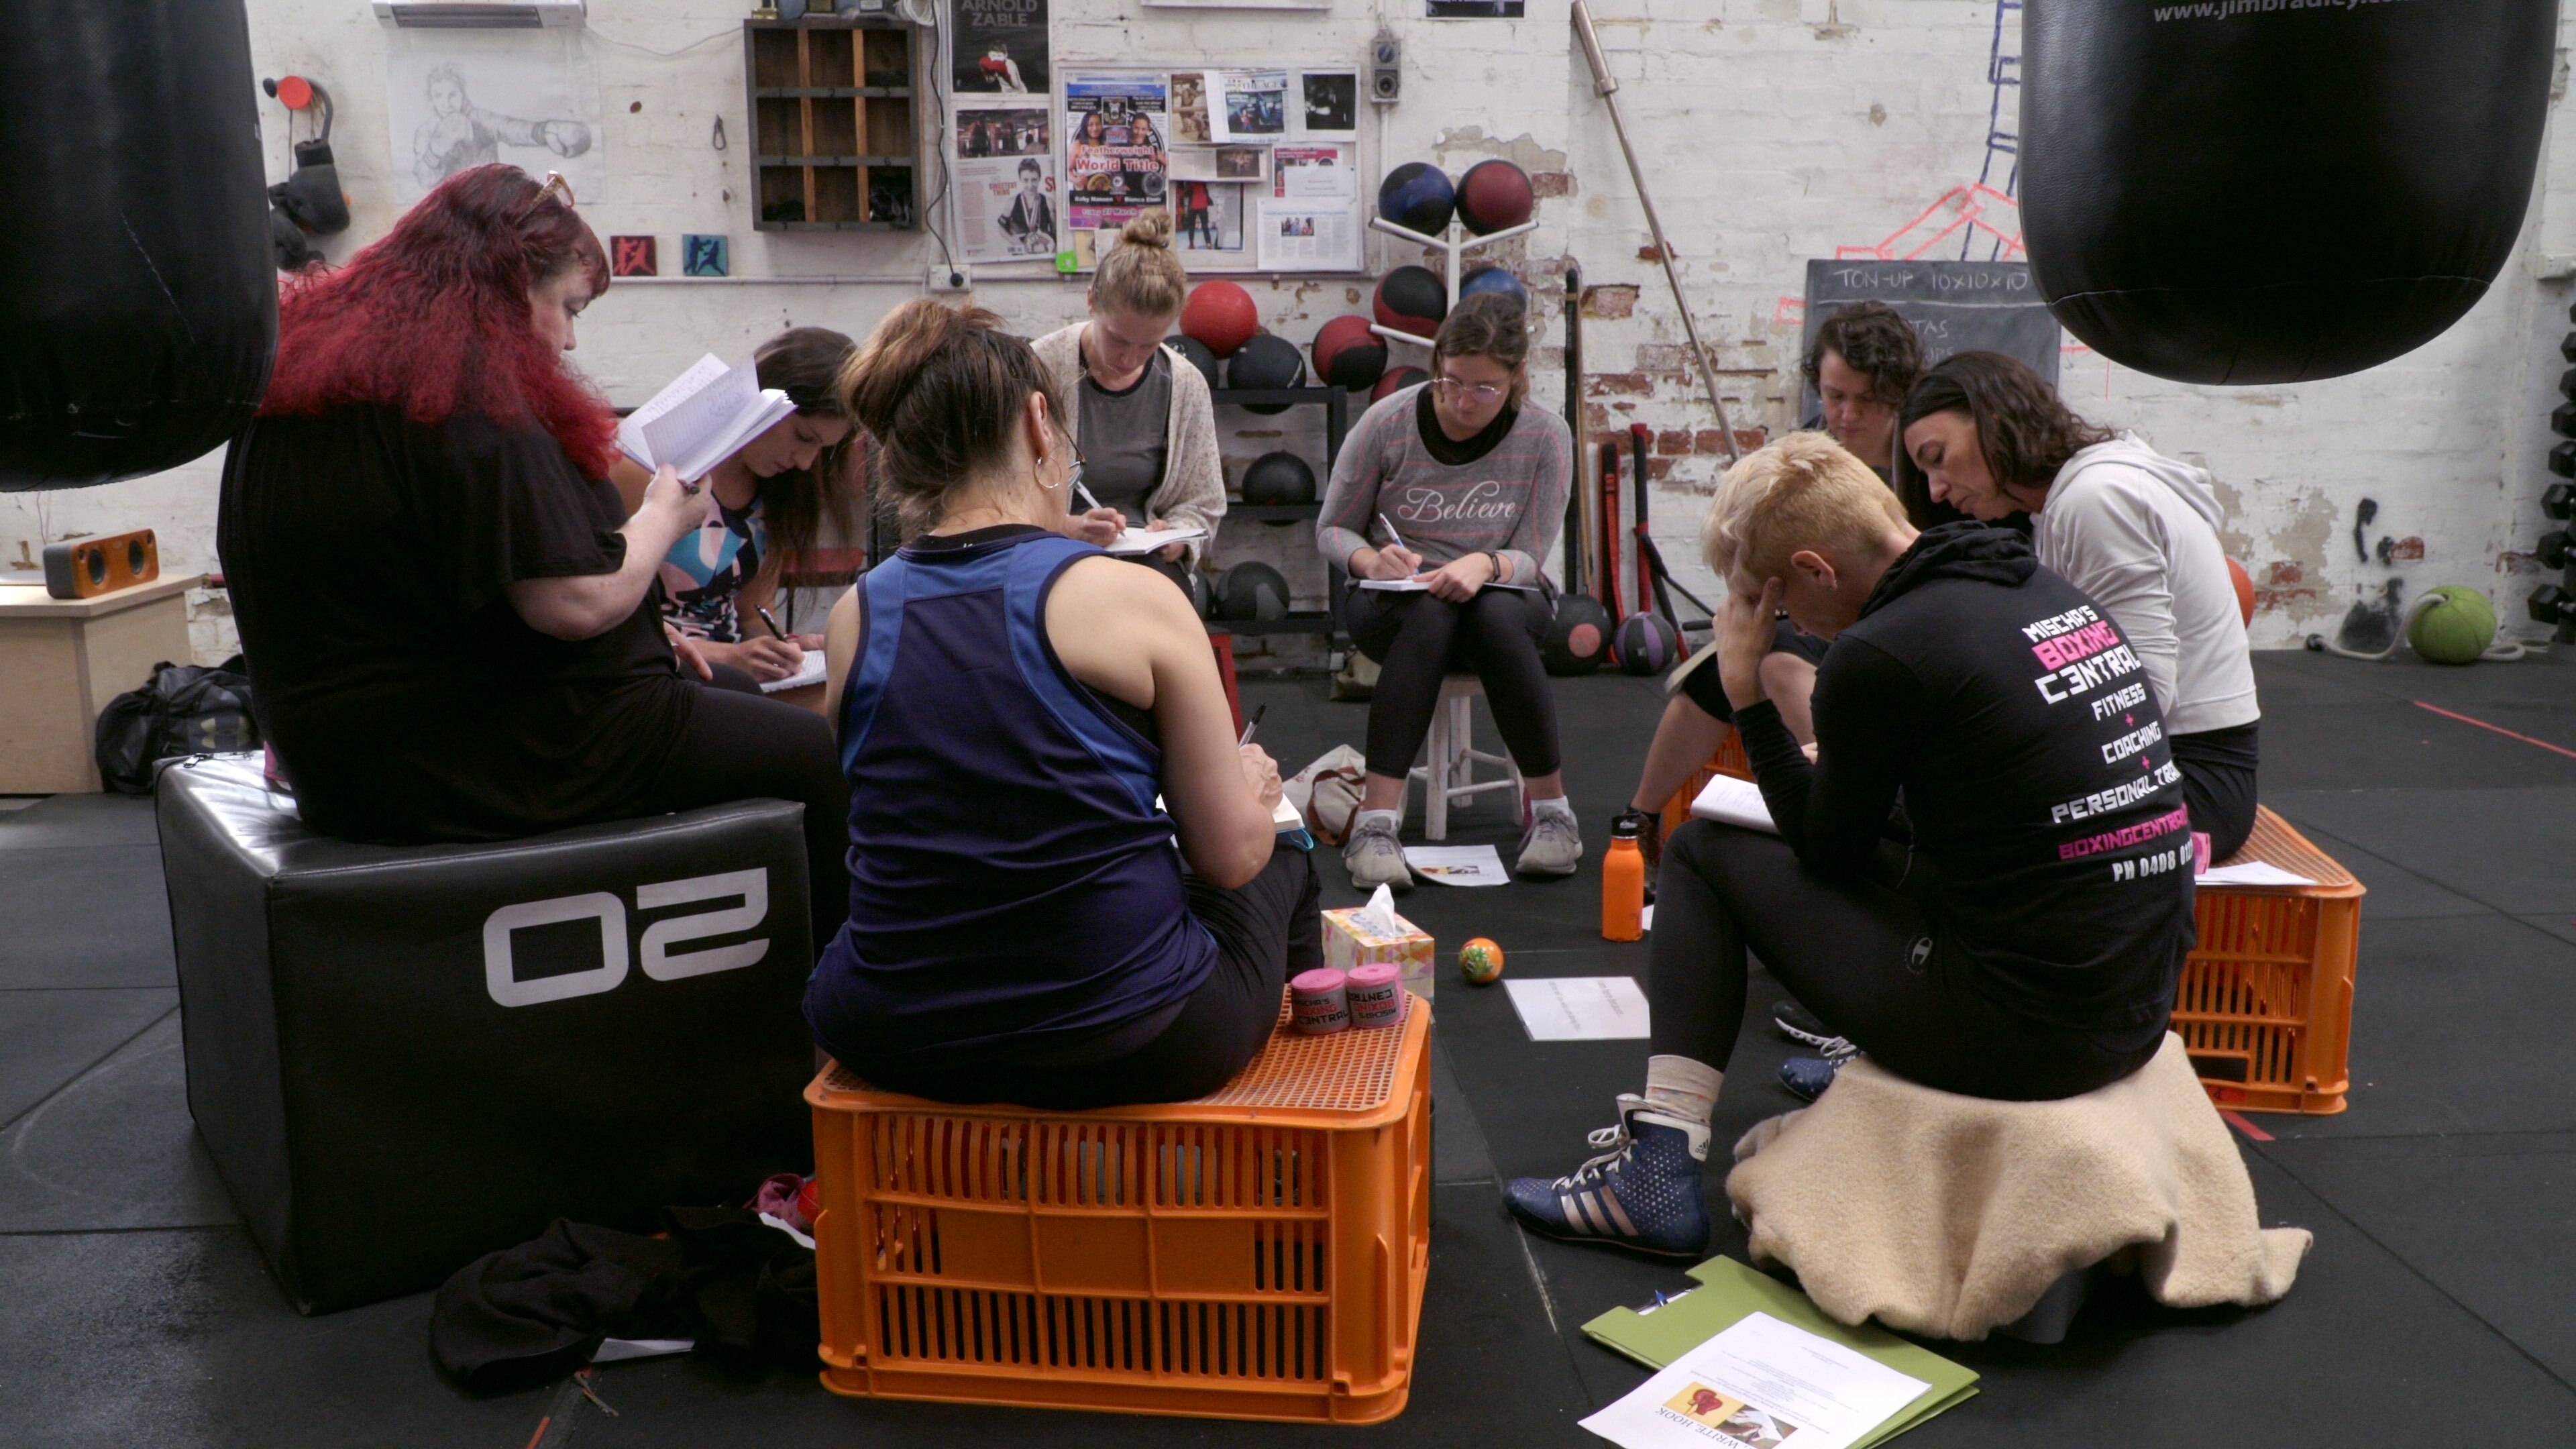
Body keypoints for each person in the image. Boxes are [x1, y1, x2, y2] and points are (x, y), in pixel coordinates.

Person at [1503, 434, 2198, 1259]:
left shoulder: (1882, 651)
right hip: (2137, 1004)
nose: (1789, 626)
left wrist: (1745, 694)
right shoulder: (2039, 588)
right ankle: (1879, 1056)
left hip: (2027, 1041)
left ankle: (1656, 1169)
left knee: (1700, 853)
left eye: (1783, 607)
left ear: (1817, 569)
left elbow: (1826, 854)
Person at [218, 164, 849, 955]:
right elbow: (574, 604)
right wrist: (662, 514)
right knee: (813, 750)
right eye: (566, 308)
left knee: (719, 678)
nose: (569, 338)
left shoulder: (342, 369)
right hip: (466, 752)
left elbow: (449, 583)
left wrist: (652, 639)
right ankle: (847, 1002)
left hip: (345, 751)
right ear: (511, 286)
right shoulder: (466, 387)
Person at [803, 301, 1318, 1109]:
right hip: (1123, 1039)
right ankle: (1290, 1147)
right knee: (1282, 848)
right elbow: (1226, 859)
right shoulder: (1134, 596)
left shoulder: (854, 616)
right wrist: (1255, 792)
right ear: (1041, 425)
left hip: (895, 1036)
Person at [1898, 350, 2261, 859]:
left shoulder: (2095, 498)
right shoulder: (2071, 498)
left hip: (2188, 785)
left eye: (1938, 458)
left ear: (1994, 418)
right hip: (2167, 769)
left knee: (1936, 815)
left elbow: (2139, 696)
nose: (1935, 490)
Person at [1619, 304, 1931, 828]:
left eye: (1868, 401)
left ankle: (1847, 805)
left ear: (1899, 397)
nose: (1847, 415)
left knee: (1776, 658)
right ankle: (1639, 822)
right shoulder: (1815, 445)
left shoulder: (1924, 460)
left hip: (1896, 618)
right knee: (1720, 665)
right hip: (1828, 604)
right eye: (1835, 397)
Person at [1316, 292, 1579, 888]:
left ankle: (1554, 817)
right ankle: (1375, 826)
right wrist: (1370, 558)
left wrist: (1484, 564)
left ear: (1516, 378)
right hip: (1399, 604)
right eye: (1451, 382)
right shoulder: (1387, 422)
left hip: (1501, 596)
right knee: (1432, 616)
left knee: (1491, 615)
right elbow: (1331, 529)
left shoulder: (1545, 435)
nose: (1464, 401)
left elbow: (1532, 555)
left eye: (1484, 388)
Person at [609, 327, 859, 693]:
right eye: (804, 437)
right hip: (654, 669)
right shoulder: (649, 472)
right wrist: (729, 657)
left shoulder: (776, 489)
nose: (806, 463)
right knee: (811, 733)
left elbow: (754, 613)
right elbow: (610, 621)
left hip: (731, 674)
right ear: (763, 402)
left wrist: (779, 650)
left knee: (847, 702)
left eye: (821, 449)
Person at [1030, 211, 1226, 591]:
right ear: (1091, 301)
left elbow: (1203, 502)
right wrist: (1065, 526)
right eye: (1118, 340)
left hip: (1143, 560)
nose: (1130, 359)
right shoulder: (1039, 369)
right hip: (1049, 552)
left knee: (1163, 607)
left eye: (1149, 346)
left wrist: (1178, 538)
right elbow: (997, 492)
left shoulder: (1184, 384)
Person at [998, 158, 1056, 258]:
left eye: (1034, 180)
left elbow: (1056, 231)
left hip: (1043, 254)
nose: (1030, 185)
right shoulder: (1011, 202)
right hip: (1020, 254)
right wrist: (1012, 240)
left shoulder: (1049, 202)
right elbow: (1001, 228)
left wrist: (1051, 244)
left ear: (1039, 179)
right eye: (1026, 180)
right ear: (1020, 179)